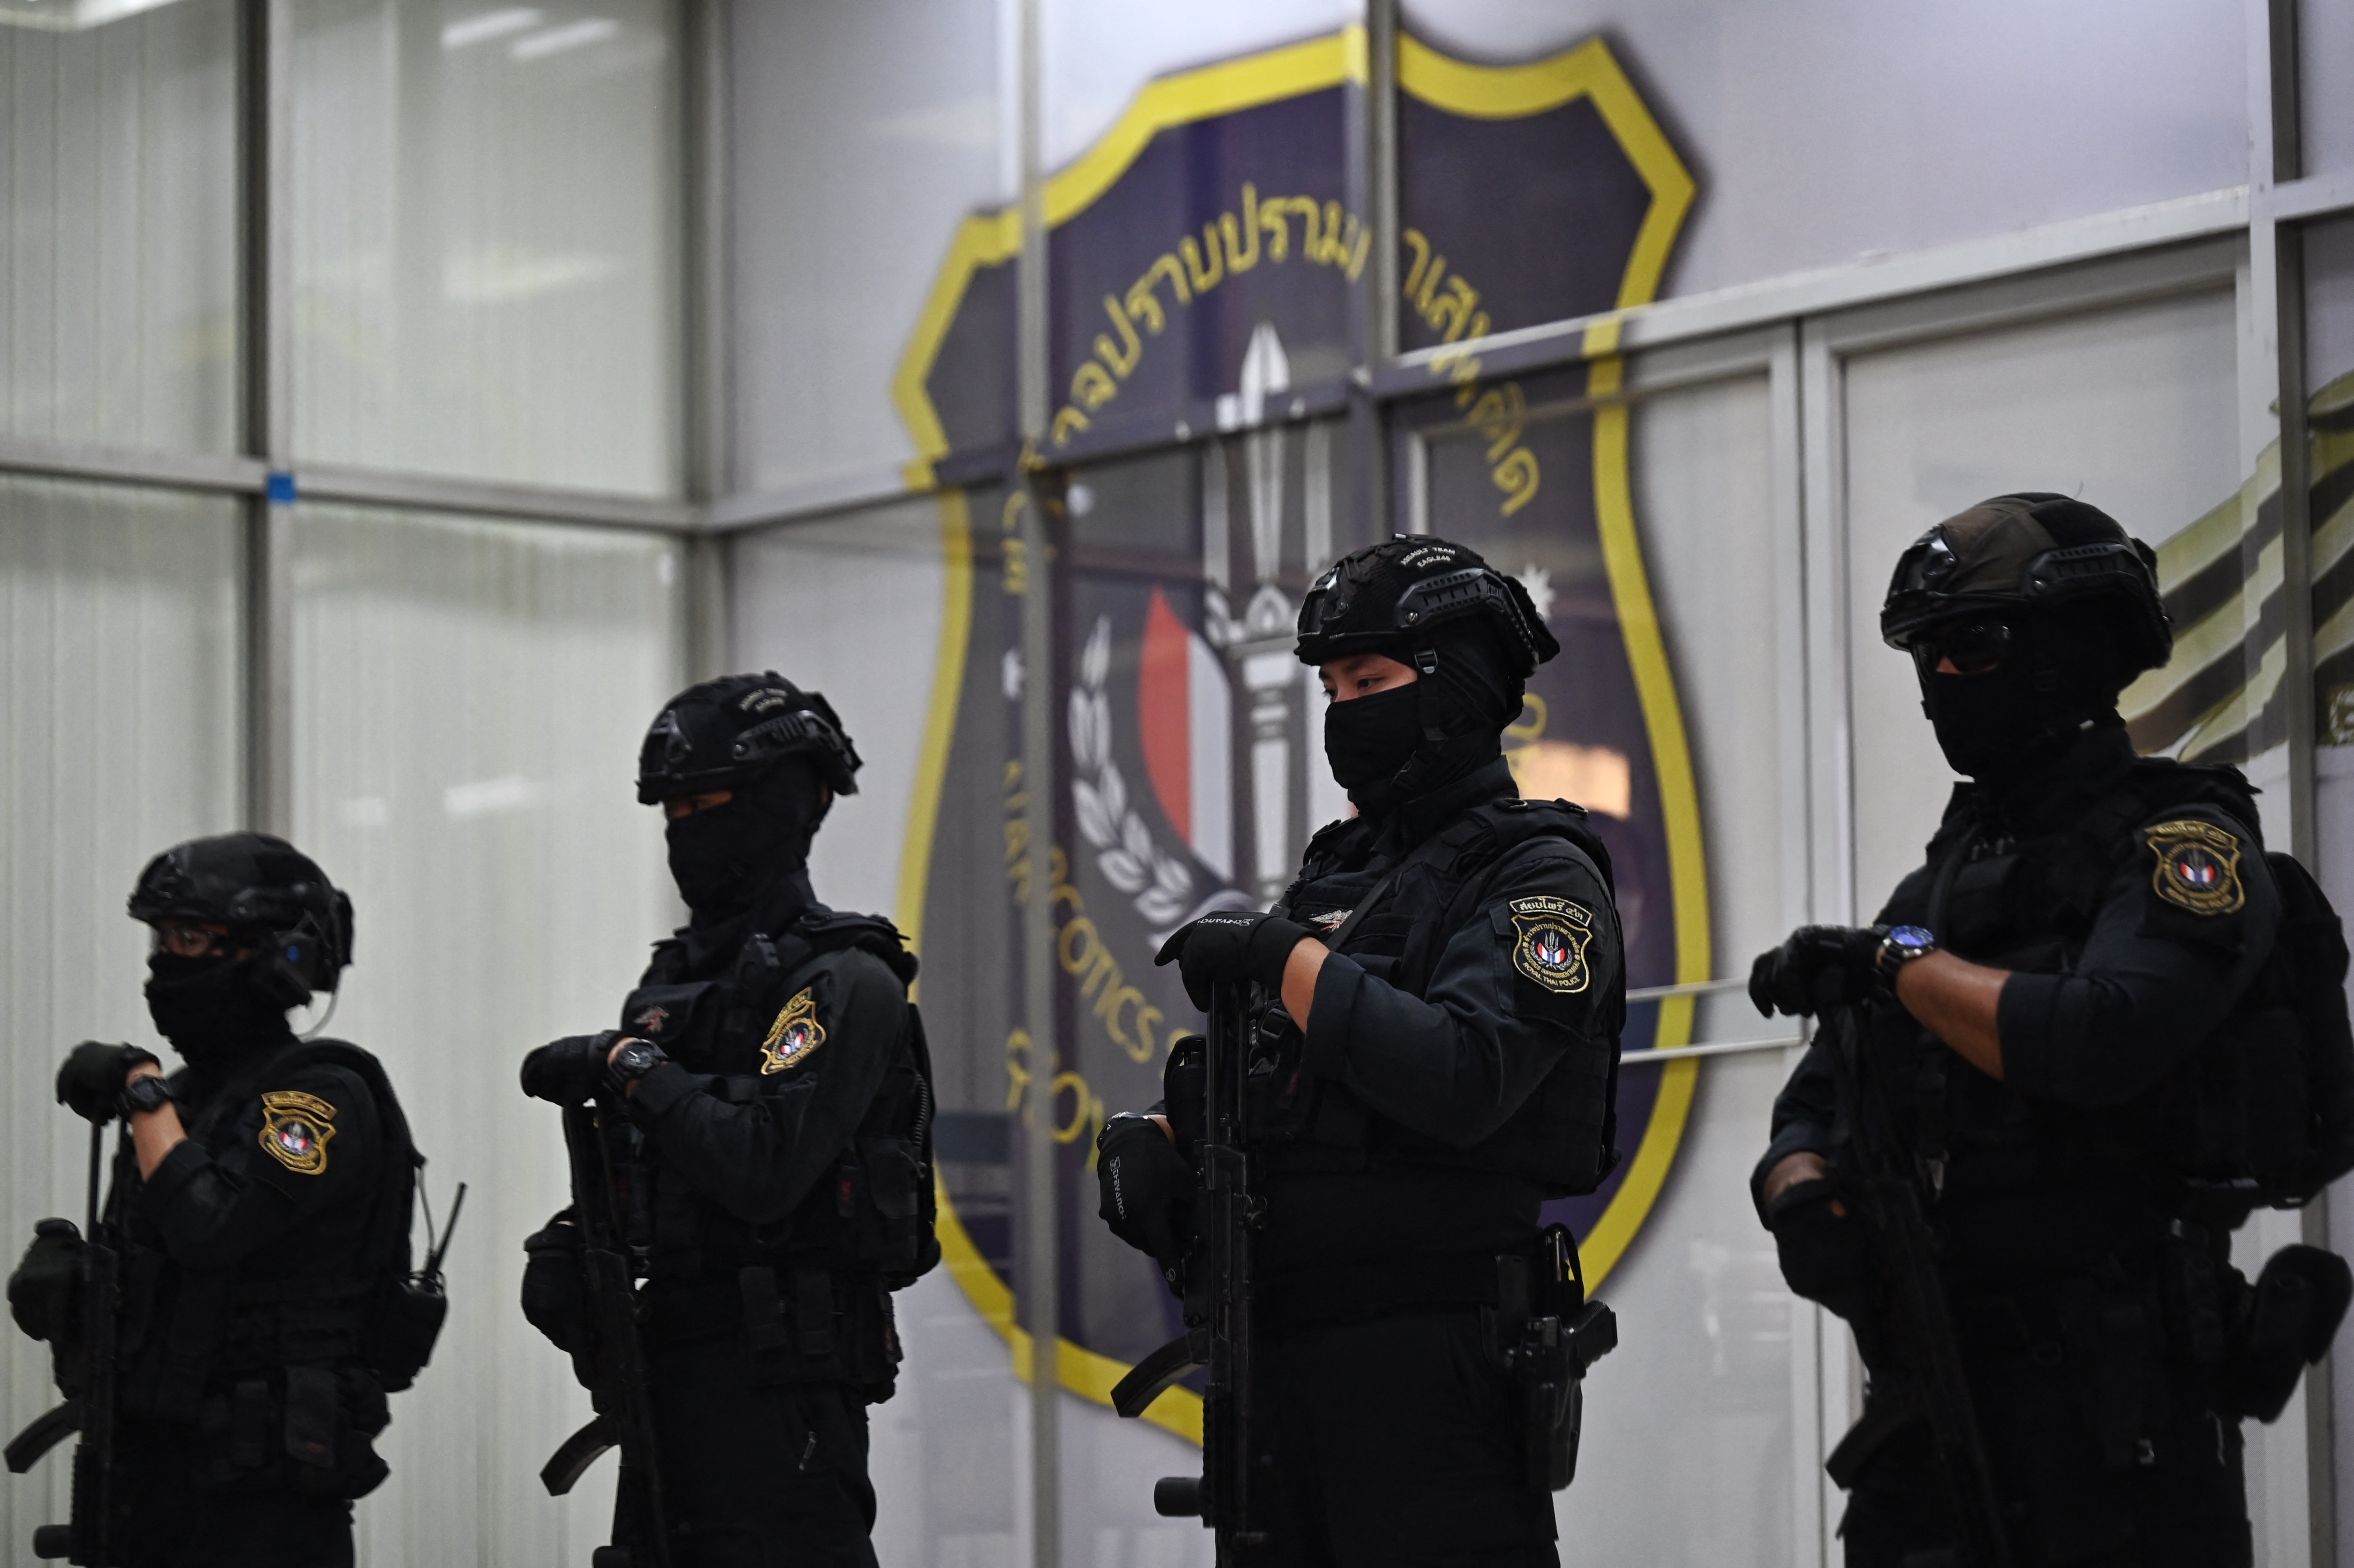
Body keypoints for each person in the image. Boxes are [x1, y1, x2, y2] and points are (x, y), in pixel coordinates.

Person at [1751, 494, 2351, 1567]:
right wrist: (1799, 1191)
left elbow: (2099, 1036)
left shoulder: (2184, 843)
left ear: (2074, 644)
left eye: (1972, 643)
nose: (1942, 675)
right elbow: (1814, 1104)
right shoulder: (1940, 885)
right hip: (1935, 1400)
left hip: (2119, 1416)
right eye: (1926, 651)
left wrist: (1890, 964)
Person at [1096, 535, 1626, 1567]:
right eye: (1332, 689)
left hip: (1431, 1362)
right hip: (1277, 1359)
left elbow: (1464, 1074)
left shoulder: (1537, 872)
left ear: (1454, 686)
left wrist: (1276, 953)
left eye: (1369, 683)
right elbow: (1282, 1087)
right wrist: (1160, 1143)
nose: (1344, 712)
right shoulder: (1338, 877)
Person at [519, 673, 933, 1568]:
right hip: (669, 1374)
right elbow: (653, 1166)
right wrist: (574, 1242)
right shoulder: (671, 989)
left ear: (793, 799)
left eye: (708, 804)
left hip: (784, 1387)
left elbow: (761, 1169)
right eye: (673, 810)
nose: (687, 830)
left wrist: (626, 1066)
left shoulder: (844, 978)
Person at [8, 832, 436, 1568]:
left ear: (278, 956)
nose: (164, 963)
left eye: (191, 937)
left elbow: (209, 1225)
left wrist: (140, 1091)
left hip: (262, 1487)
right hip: (153, 1468)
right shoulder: (186, 1100)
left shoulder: (320, 1096)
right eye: (161, 938)